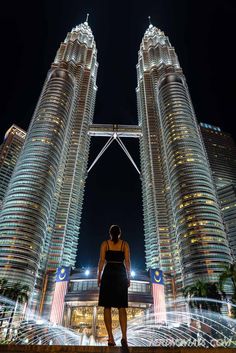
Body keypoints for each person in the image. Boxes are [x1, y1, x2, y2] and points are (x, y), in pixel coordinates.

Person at [97, 224, 131, 347]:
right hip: (120, 273)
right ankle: (124, 337)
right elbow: (127, 262)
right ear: (119, 234)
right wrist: (128, 277)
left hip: (108, 274)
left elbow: (101, 261)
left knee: (107, 306)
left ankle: (110, 338)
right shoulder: (125, 244)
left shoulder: (105, 244)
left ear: (110, 234)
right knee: (122, 307)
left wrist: (99, 276)